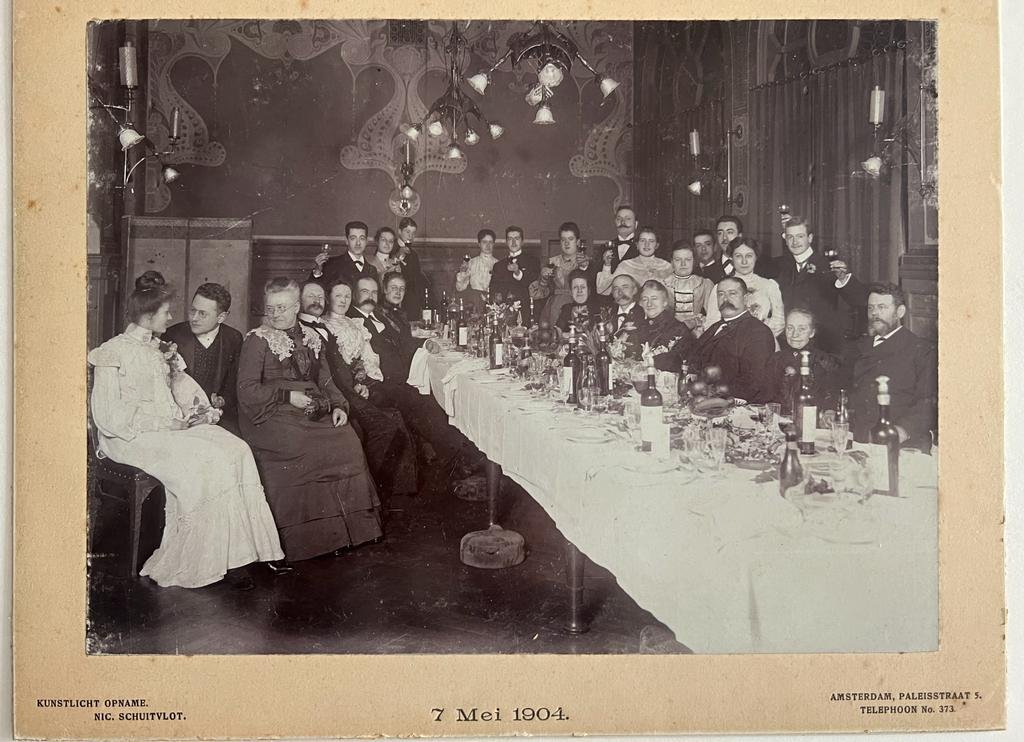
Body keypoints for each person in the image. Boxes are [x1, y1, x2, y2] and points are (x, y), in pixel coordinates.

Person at [88, 282, 286, 588]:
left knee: (236, 448)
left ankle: (244, 552)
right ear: (149, 315)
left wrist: (201, 413)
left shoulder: (159, 349)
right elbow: (108, 416)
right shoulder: (113, 351)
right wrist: (165, 424)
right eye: (166, 313)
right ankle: (208, 558)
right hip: (127, 438)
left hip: (166, 429)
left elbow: (182, 392)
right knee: (205, 458)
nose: (171, 318)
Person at [237, 278, 383, 562]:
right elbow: (246, 390)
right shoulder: (257, 340)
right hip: (270, 412)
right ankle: (316, 539)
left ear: (296, 307)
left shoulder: (312, 336)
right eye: (270, 308)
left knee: (347, 440)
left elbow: (325, 380)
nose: (275, 314)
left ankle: (355, 531)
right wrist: (286, 396)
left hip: (311, 406)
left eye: (281, 308)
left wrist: (339, 405)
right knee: (304, 446)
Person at [347, 275, 481, 478]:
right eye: (364, 292)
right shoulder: (352, 321)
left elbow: (403, 343)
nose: (370, 296)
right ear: (355, 294)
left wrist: (426, 343)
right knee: (423, 402)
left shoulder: (378, 316)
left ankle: (461, 455)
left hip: (400, 377)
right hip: (380, 384)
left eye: (374, 292)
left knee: (437, 391)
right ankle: (458, 460)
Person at [321, 278, 418, 500]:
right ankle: (372, 489)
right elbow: (335, 368)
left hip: (364, 381)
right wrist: (357, 383)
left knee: (399, 409)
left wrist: (362, 378)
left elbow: (364, 359)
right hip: (344, 389)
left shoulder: (354, 323)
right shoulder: (326, 326)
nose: (343, 300)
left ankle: (394, 488)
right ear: (329, 298)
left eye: (347, 296)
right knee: (392, 415)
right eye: (338, 296)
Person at [845, 283, 937, 451]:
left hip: (902, 443)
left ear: (900, 312)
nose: (874, 313)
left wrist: (903, 430)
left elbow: (927, 402)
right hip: (860, 440)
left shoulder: (921, 350)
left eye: (882, 307)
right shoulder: (858, 347)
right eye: (871, 308)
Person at [775, 215, 868, 354]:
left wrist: (843, 278)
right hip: (791, 343)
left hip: (823, 345)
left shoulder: (828, 265)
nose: (795, 242)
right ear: (785, 240)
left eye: (800, 236)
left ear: (810, 238)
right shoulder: (781, 266)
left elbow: (860, 299)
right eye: (790, 237)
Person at [162, 283, 243, 435]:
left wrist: (223, 400)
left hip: (219, 416)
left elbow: (235, 383)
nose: (194, 318)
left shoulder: (233, 338)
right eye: (193, 310)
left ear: (221, 317)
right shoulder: (172, 335)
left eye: (202, 314)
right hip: (180, 416)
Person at [686, 277, 777, 403]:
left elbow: (753, 382)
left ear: (746, 299)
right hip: (703, 401)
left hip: (735, 405)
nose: (725, 299)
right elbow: (694, 361)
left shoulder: (758, 331)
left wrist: (709, 395)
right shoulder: (715, 327)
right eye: (721, 294)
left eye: (732, 293)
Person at [703, 239, 785, 338]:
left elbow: (779, 320)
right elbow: (711, 323)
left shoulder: (769, 285)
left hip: (761, 340)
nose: (744, 261)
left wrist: (760, 336)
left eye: (749, 256)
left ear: (756, 257)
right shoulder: (720, 287)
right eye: (738, 256)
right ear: (731, 258)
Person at [768, 308, 842, 413]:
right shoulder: (776, 359)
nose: (794, 334)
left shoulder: (824, 361)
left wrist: (829, 411)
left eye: (802, 329)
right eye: (790, 328)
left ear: (812, 333)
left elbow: (831, 395)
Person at [528, 221, 595, 327]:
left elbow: (594, 288)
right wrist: (543, 279)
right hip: (554, 307)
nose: (566, 243)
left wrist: (585, 267)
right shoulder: (552, 262)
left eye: (570, 239)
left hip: (578, 305)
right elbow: (540, 292)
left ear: (578, 242)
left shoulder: (587, 262)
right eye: (563, 240)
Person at [632, 280, 697, 371]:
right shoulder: (640, 327)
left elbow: (677, 363)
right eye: (645, 299)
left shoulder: (678, 329)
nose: (649, 304)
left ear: (665, 302)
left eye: (654, 298)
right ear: (641, 304)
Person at [597, 226, 673, 295]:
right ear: (637, 245)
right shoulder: (626, 265)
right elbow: (603, 290)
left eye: (651, 241)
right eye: (642, 240)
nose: (646, 244)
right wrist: (607, 265)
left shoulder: (666, 266)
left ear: (656, 245)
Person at [662, 242, 714, 335]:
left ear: (694, 261)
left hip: (697, 330)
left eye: (688, 259)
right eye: (678, 260)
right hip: (670, 330)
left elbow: (712, 314)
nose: (683, 264)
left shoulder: (704, 284)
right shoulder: (663, 284)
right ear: (672, 262)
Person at [488, 225, 539, 320]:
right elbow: (493, 289)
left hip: (525, 312)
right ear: (506, 242)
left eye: (517, 238)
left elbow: (534, 287)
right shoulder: (498, 265)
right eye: (510, 239)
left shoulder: (532, 261)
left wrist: (517, 272)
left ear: (522, 241)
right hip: (503, 315)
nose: (513, 242)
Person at [309, 221, 380, 288]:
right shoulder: (331, 264)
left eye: (362, 238)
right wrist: (317, 271)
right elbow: (314, 289)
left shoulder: (372, 270)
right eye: (353, 238)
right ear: (346, 241)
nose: (358, 243)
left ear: (366, 241)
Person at [455, 229, 499, 312]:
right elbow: (460, 288)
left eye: (490, 242)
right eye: (484, 242)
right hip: (475, 302)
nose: (488, 245)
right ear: (479, 244)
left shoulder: (499, 264)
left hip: (493, 303)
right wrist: (462, 272)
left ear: (494, 244)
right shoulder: (471, 263)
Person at [394, 217, 427, 316]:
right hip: (395, 296)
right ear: (399, 231)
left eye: (413, 233)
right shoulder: (391, 247)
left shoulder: (414, 254)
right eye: (407, 232)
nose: (410, 236)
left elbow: (417, 278)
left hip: (411, 300)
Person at [608, 274, 646, 359]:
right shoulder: (607, 314)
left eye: (625, 287)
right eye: (616, 288)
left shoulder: (644, 314)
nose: (620, 292)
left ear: (634, 290)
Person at [600, 204, 640, 271]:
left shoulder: (643, 247)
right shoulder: (604, 248)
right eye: (619, 219)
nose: (622, 222)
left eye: (628, 219)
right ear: (615, 223)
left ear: (636, 224)